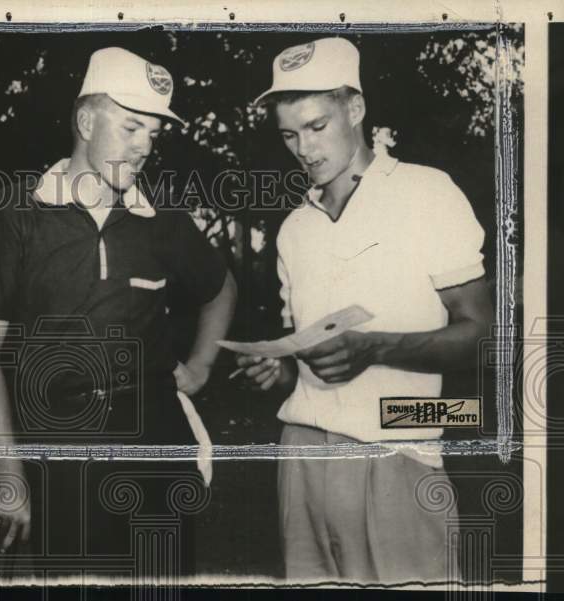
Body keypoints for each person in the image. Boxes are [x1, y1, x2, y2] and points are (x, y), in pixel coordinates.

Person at [0, 47, 237, 580]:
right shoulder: (18, 215)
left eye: (153, 134)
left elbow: (221, 288)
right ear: (85, 121)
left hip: (158, 439)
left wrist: (199, 367)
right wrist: (10, 476)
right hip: (63, 444)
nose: (144, 146)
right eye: (131, 127)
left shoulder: (161, 219)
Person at [239, 37, 494, 583]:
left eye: (316, 126)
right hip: (302, 453)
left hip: (396, 451)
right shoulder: (295, 228)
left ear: (355, 109)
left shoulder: (428, 192)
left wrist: (376, 347)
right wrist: (280, 366)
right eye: (289, 134)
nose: (304, 149)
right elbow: (303, 352)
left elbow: (483, 333)